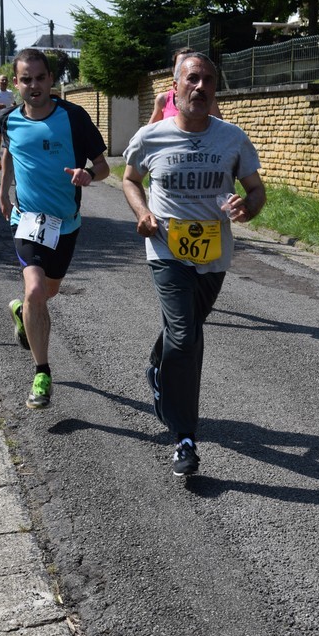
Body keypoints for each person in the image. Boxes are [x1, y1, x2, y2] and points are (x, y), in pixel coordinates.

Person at [123, 52, 266, 477]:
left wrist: (247, 208)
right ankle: (184, 438)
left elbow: (256, 190)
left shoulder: (232, 138)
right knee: (186, 338)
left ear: (215, 89)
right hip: (166, 251)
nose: (200, 86)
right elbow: (129, 179)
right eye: (192, 79)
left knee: (183, 331)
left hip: (214, 255)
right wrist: (142, 212)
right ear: (175, 87)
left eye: (208, 80)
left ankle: (157, 367)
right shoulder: (150, 137)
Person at [0, 48, 110, 410]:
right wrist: (3, 192)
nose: (33, 85)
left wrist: (88, 174)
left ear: (50, 80)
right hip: (27, 220)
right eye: (25, 79)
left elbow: (104, 166)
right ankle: (42, 373)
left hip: (65, 224)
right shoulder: (9, 120)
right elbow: (10, 155)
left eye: (39, 78)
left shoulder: (73, 117)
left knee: (48, 292)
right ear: (17, 84)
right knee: (34, 290)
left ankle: (23, 313)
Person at [148, 47, 222, 124]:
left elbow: (220, 127)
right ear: (174, 70)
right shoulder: (163, 99)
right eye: (180, 64)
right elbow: (150, 128)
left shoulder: (205, 98)